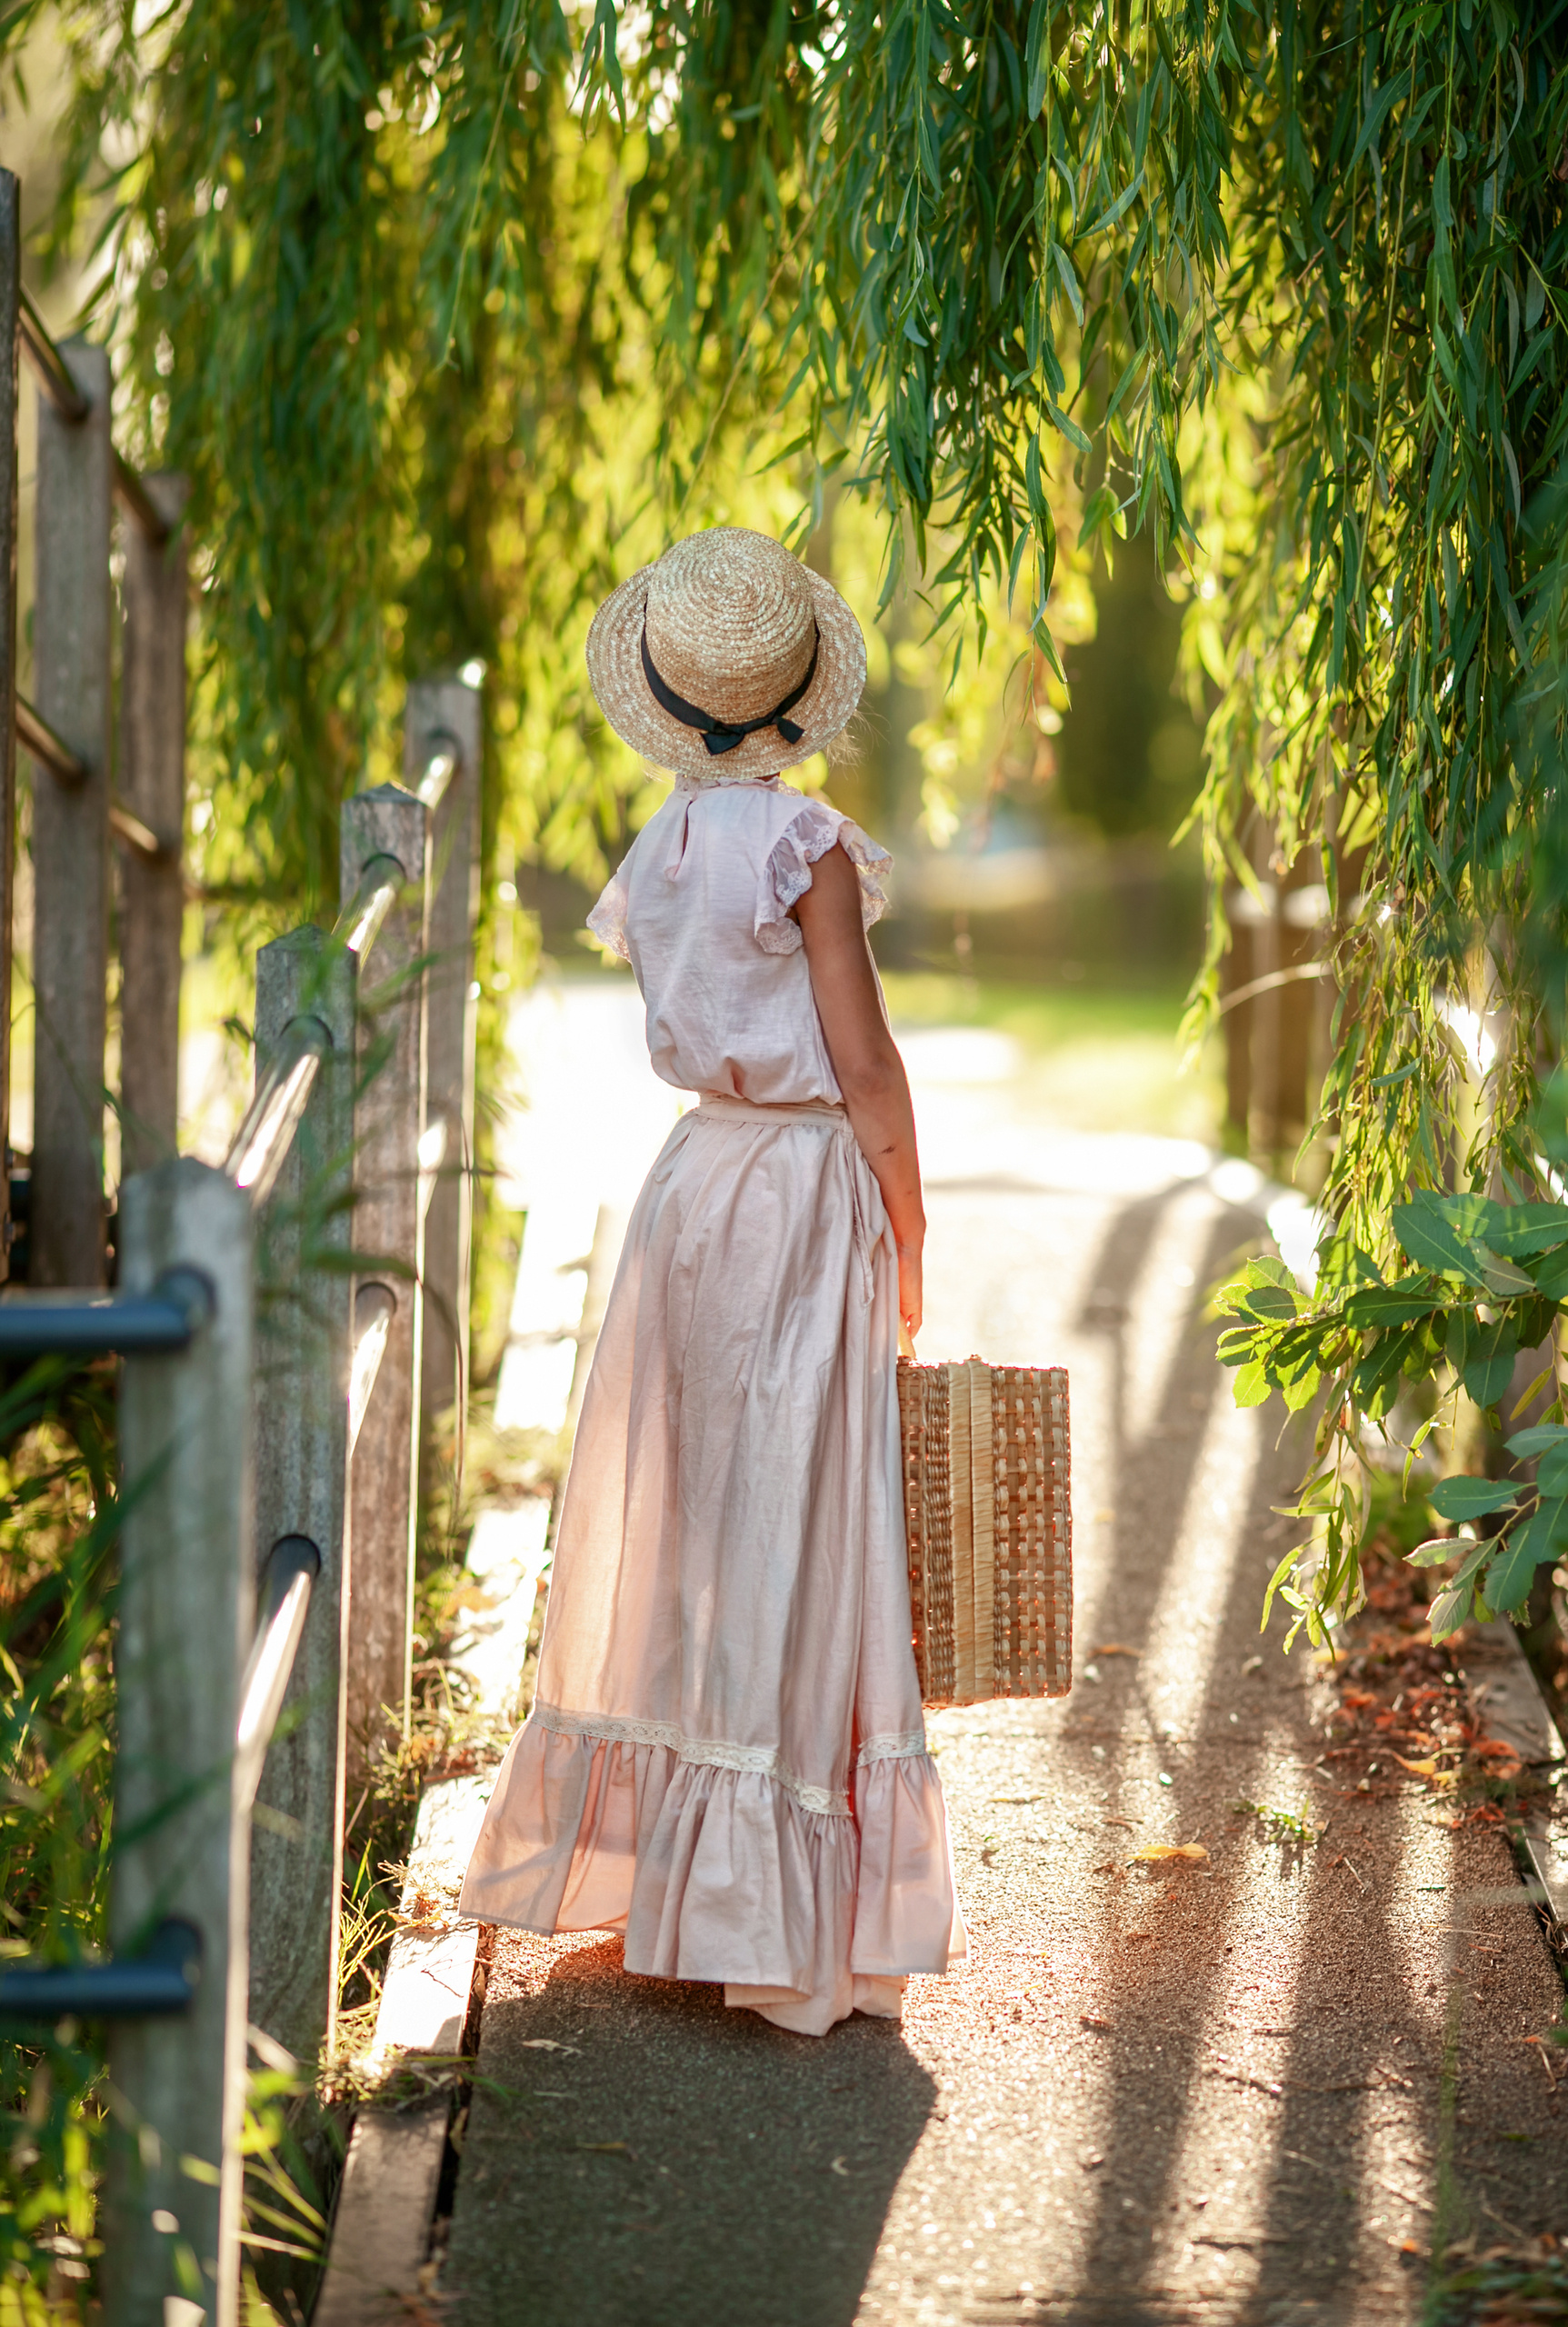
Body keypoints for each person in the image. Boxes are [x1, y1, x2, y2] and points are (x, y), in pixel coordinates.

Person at [459, 525, 966, 2033]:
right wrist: (915, 1224)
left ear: (674, 709)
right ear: (804, 690)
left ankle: (675, 1888)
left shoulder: (663, 847)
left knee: (696, 1517)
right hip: (803, 1189)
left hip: (694, 1187)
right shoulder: (803, 848)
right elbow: (863, 1061)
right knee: (797, 1520)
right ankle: (770, 1916)